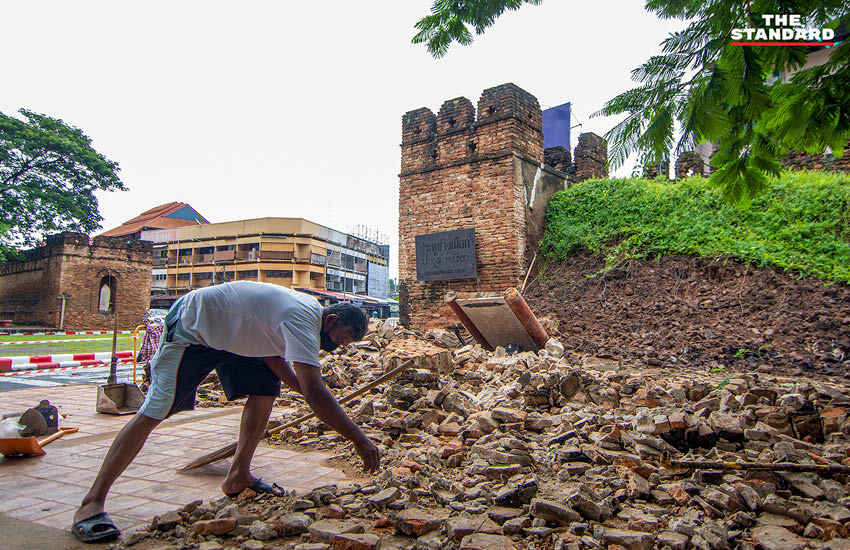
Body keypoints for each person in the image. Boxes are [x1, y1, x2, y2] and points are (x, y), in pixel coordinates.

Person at [72, 281, 379, 543]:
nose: (335, 347)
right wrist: (359, 440)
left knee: (264, 389)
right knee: (155, 410)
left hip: (231, 338)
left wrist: (301, 390)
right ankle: (92, 502)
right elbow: (315, 391)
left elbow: (271, 352)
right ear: (332, 320)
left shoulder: (310, 312)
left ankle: (238, 475)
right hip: (193, 329)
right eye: (338, 340)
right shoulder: (302, 320)